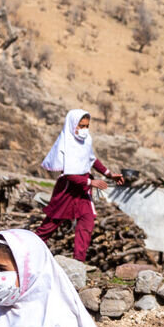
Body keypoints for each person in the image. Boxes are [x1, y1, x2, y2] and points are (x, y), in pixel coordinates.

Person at [35, 109, 125, 262]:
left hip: (83, 189)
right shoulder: (66, 144)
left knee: (87, 221)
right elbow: (69, 174)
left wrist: (109, 174)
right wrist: (91, 182)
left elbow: (91, 159)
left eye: (86, 126)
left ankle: (79, 261)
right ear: (72, 125)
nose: (84, 130)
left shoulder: (86, 141)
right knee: (50, 225)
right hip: (68, 189)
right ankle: (29, 250)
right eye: (81, 126)